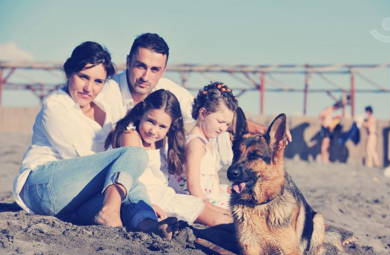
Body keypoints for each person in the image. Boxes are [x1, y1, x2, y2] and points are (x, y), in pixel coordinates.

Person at [12, 41, 163, 235]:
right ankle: (111, 210)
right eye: (83, 77)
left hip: (74, 200)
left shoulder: (105, 107)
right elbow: (82, 157)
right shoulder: (56, 107)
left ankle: (149, 224)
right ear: (69, 72)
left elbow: (113, 170)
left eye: (98, 81)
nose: (88, 88)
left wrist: (144, 200)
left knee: (129, 188)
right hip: (43, 187)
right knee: (135, 156)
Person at [97, 33, 268, 167]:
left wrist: (261, 129)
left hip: (157, 175)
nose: (145, 76)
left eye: (155, 69)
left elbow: (204, 112)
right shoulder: (107, 93)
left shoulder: (167, 90)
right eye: (140, 66)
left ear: (163, 70)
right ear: (128, 62)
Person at [106, 89, 232, 226]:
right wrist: (148, 205)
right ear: (142, 114)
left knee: (223, 213)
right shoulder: (130, 136)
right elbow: (130, 178)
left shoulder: (162, 142)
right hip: (146, 198)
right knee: (216, 219)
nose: (154, 130)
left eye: (162, 126)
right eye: (150, 121)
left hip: (166, 195)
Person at [170, 82, 238, 209]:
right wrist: (210, 209)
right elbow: (193, 186)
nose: (223, 128)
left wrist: (223, 189)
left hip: (209, 194)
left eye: (227, 124)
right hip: (197, 199)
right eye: (220, 122)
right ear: (203, 114)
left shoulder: (207, 141)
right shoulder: (196, 144)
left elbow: (210, 177)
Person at [318, 98, 345, 163]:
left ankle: (325, 159)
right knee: (325, 145)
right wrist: (324, 123)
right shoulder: (328, 109)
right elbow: (320, 116)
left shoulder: (331, 111)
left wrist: (335, 118)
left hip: (328, 129)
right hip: (326, 128)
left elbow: (328, 118)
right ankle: (323, 159)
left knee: (327, 144)